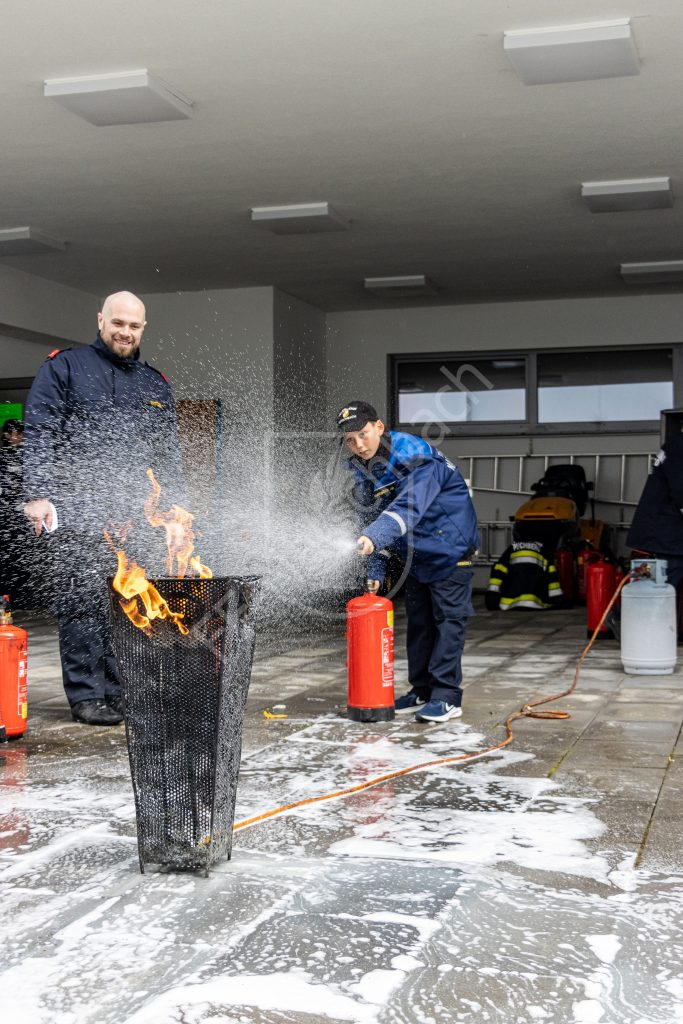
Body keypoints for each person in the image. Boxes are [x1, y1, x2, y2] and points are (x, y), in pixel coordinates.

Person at [23, 291, 186, 726]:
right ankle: (87, 694)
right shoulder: (65, 368)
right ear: (100, 321)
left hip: (137, 514)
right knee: (83, 602)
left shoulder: (155, 383)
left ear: (143, 328)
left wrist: (178, 511)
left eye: (133, 326)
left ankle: (120, 689)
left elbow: (169, 454)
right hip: (78, 507)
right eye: (118, 323)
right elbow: (41, 431)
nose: (125, 332)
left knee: (129, 601)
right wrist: (36, 493)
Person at [337, 401, 479, 723]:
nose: (358, 445)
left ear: (379, 428)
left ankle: (446, 696)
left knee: (448, 623)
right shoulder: (368, 468)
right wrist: (375, 566)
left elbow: (408, 508)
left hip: (449, 548)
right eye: (349, 440)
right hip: (416, 554)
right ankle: (422, 690)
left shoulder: (416, 457)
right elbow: (373, 514)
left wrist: (375, 536)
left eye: (363, 434)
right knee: (419, 623)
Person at [627, 431, 683, 589]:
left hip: (663, 533)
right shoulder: (679, 446)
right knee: (650, 586)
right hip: (664, 535)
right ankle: (620, 614)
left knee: (650, 584)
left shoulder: (674, 444)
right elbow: (680, 489)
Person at [0, 419, 33, 607]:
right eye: (12, 433)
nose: (16, 437)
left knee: (21, 556)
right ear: (5, 435)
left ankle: (21, 596)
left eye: (20, 433)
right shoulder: (3, 456)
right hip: (5, 515)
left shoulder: (28, 456)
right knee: (5, 556)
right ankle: (5, 597)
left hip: (24, 515)